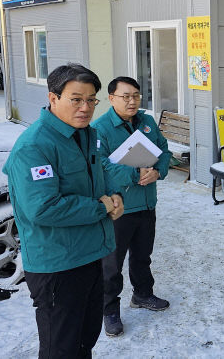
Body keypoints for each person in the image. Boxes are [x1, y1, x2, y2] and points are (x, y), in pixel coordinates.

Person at [2, 64, 122, 358]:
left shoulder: (86, 134)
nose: (86, 107)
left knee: (84, 341)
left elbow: (98, 178)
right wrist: (99, 207)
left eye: (92, 99)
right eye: (76, 99)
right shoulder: (34, 146)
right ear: (53, 98)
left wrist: (113, 196)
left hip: (90, 254)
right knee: (61, 348)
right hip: (57, 264)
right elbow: (42, 208)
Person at [92, 76, 173, 337]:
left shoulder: (147, 122)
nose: (131, 101)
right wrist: (134, 174)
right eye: (125, 96)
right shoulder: (100, 128)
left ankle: (142, 294)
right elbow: (99, 164)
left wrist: (159, 172)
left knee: (142, 256)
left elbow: (164, 150)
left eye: (136, 95)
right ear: (111, 98)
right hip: (119, 208)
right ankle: (109, 311)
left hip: (147, 204)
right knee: (111, 264)